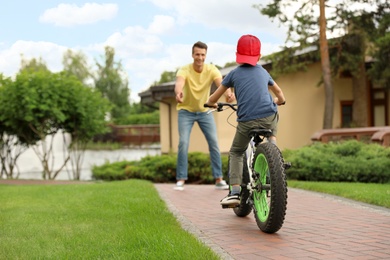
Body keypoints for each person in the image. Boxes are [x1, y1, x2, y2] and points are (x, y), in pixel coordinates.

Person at [205, 34, 286, 206]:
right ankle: (273, 145)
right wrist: (278, 101)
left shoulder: (233, 74)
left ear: (237, 54)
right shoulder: (264, 72)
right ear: (259, 56)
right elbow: (280, 94)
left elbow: (215, 96)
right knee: (274, 111)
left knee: (236, 152)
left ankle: (235, 192)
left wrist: (211, 103)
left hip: (247, 121)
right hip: (268, 117)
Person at [174, 41, 234, 191]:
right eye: (197, 54)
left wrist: (228, 93)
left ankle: (219, 179)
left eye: (202, 55)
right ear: (192, 55)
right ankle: (181, 179)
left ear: (205, 55)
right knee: (183, 143)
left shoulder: (211, 69)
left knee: (214, 142)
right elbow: (179, 83)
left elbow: (222, 84)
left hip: (204, 112)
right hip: (185, 111)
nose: (199, 58)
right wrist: (178, 92)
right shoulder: (184, 70)